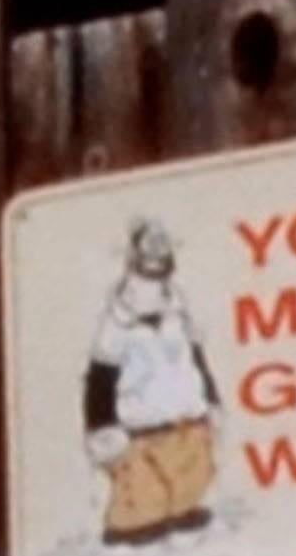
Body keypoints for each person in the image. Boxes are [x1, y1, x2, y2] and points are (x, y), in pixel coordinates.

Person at [81, 217, 221, 545]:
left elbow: (196, 356)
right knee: (142, 486)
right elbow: (101, 375)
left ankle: (184, 509)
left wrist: (211, 399)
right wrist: (101, 424)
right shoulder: (116, 325)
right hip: (140, 426)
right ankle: (135, 525)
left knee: (190, 470)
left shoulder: (179, 311)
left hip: (187, 417)